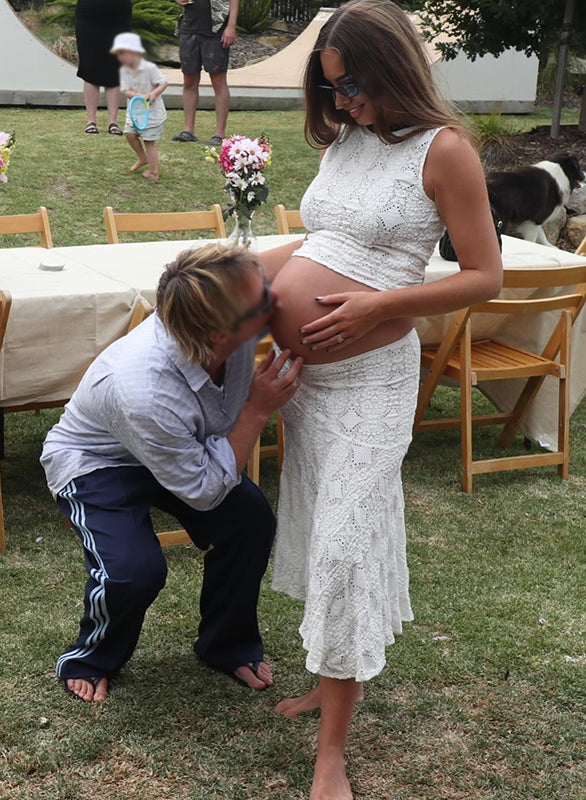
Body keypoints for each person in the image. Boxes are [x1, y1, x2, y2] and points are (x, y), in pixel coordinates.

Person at [258, 2, 504, 798]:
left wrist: (378, 307)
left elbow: (485, 276)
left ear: (395, 66)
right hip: (310, 384)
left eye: (353, 85)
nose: (344, 102)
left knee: (343, 544)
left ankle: (331, 754)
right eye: (333, 89)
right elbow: (325, 240)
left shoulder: (446, 149)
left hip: (371, 382)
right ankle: (331, 683)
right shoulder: (349, 138)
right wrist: (253, 274)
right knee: (321, 527)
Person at [40, 245, 303, 704]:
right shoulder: (143, 387)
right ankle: (89, 658)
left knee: (251, 520)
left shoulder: (230, 306)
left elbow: (306, 250)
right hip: (98, 461)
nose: (273, 297)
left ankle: (226, 644)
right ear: (219, 333)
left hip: (181, 445)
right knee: (133, 573)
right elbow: (203, 492)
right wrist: (256, 410)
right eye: (261, 297)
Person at [172, 0, 239, 145]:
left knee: (218, 81)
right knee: (189, 81)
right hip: (189, 28)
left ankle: (219, 134)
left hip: (216, 30)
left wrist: (231, 26)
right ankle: (188, 131)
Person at [112, 32, 169, 181]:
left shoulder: (150, 68)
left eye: (123, 53)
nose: (120, 57)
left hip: (152, 114)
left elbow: (163, 83)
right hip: (134, 112)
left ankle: (154, 172)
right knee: (129, 134)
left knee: (149, 141)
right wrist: (138, 96)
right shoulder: (124, 70)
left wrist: (153, 94)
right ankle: (143, 158)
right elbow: (126, 91)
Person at [75, 0, 132, 135]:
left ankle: (113, 122)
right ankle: (91, 121)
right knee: (89, 67)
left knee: (115, 67)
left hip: (119, 17)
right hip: (89, 16)